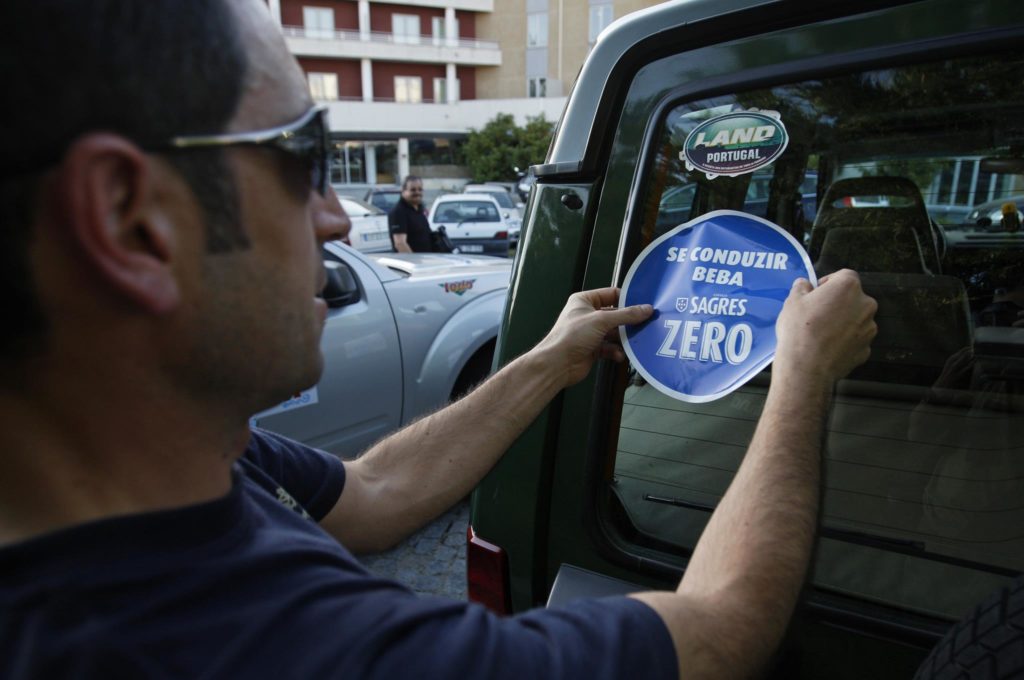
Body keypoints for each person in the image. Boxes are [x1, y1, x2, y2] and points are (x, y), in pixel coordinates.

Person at [0, 1, 877, 678]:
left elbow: (377, 490)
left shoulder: (182, 461)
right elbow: (722, 632)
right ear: (131, 221)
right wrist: (800, 371)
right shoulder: (272, 648)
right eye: (303, 156)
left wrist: (547, 362)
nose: (340, 217)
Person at [389, 175, 434, 252]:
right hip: (410, 262)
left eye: (420, 189)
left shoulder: (419, 210)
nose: (417, 192)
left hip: (425, 260)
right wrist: (415, 263)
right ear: (403, 191)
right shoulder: (399, 212)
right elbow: (400, 244)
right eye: (413, 190)